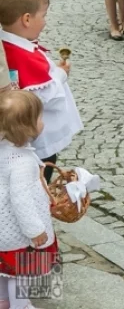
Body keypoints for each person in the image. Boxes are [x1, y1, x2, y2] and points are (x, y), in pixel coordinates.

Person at [0, 0, 83, 174]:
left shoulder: (10, 46)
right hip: (41, 135)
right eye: (43, 16)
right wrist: (61, 74)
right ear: (26, 19)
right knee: (43, 171)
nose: (45, 21)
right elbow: (45, 95)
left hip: (27, 132)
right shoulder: (22, 54)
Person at [0, 90, 60, 307]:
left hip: (2, 231)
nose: (42, 121)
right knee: (21, 274)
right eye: (39, 118)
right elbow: (21, 200)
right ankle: (21, 305)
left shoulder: (4, 150)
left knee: (4, 269)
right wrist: (35, 230)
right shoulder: (22, 162)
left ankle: (3, 301)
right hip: (20, 233)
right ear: (26, 127)